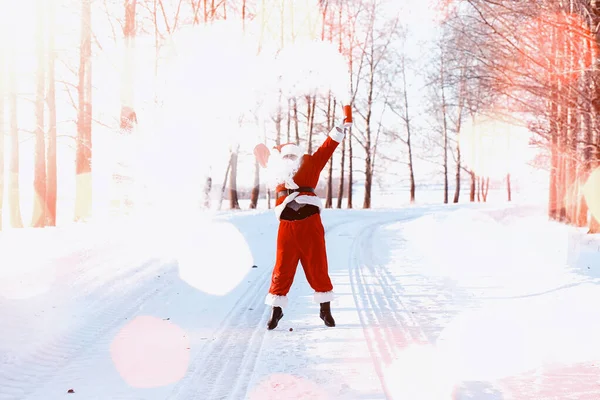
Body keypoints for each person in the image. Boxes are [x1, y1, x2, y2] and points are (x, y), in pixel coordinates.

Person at [254, 116, 352, 330]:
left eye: (292, 155)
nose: (289, 158)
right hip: (287, 226)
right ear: (280, 156)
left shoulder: (310, 164)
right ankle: (276, 311)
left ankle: (325, 310)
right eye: (285, 155)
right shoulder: (275, 170)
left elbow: (327, 148)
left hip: (310, 224)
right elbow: (259, 151)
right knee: (282, 268)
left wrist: (338, 129)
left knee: (318, 266)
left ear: (298, 156)